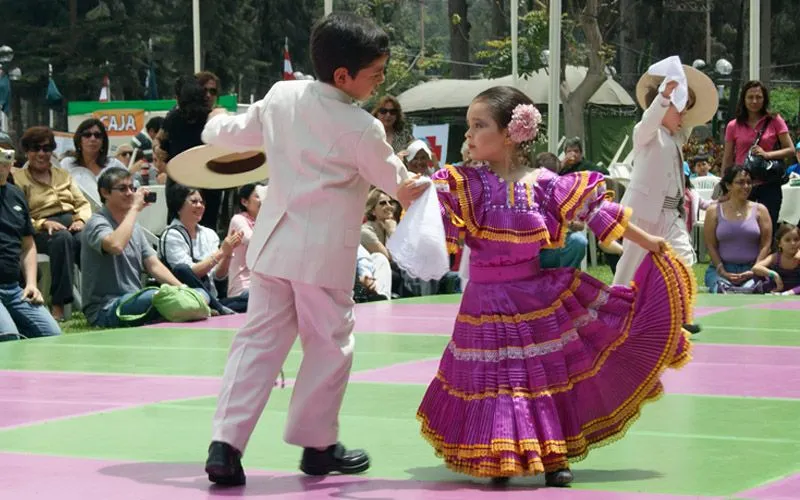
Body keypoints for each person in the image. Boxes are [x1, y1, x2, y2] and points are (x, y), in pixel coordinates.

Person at [417, 86, 693, 488]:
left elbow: (599, 211)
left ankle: (552, 454)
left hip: (534, 297)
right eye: (469, 125)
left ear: (511, 133)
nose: (469, 135)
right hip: (482, 302)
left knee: (538, 377)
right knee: (494, 378)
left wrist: (648, 242)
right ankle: (501, 453)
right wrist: (412, 191)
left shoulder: (546, 184)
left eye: (480, 125)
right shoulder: (463, 184)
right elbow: (428, 214)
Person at [198, 13, 425, 486]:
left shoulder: (282, 96)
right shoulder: (362, 127)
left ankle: (225, 445)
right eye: (376, 73)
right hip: (322, 258)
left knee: (257, 345)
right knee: (329, 347)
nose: (381, 80)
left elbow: (235, 135)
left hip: (272, 248)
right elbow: (399, 185)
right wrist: (426, 185)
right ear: (344, 76)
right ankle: (317, 446)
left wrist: (213, 124)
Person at [612, 57, 717, 335]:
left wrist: (688, 94)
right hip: (642, 212)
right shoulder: (646, 133)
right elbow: (650, 120)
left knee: (684, 258)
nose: (682, 113)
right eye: (677, 108)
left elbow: (690, 119)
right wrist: (665, 94)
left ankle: (679, 314)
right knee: (630, 264)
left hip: (670, 214)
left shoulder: (675, 138)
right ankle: (613, 312)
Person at [80, 167, 199, 327]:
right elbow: (115, 245)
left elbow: (154, 265)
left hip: (135, 301)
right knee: (155, 296)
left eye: (132, 188)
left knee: (198, 295)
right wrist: (135, 208)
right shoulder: (97, 222)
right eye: (122, 189)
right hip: (106, 309)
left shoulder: (133, 226)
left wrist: (183, 289)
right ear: (105, 193)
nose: (130, 193)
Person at [0, 145, 60, 341]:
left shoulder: (15, 194)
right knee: (9, 338)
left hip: (14, 288)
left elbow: (28, 245)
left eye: (7, 155)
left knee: (52, 335)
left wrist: (32, 284)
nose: (3, 161)